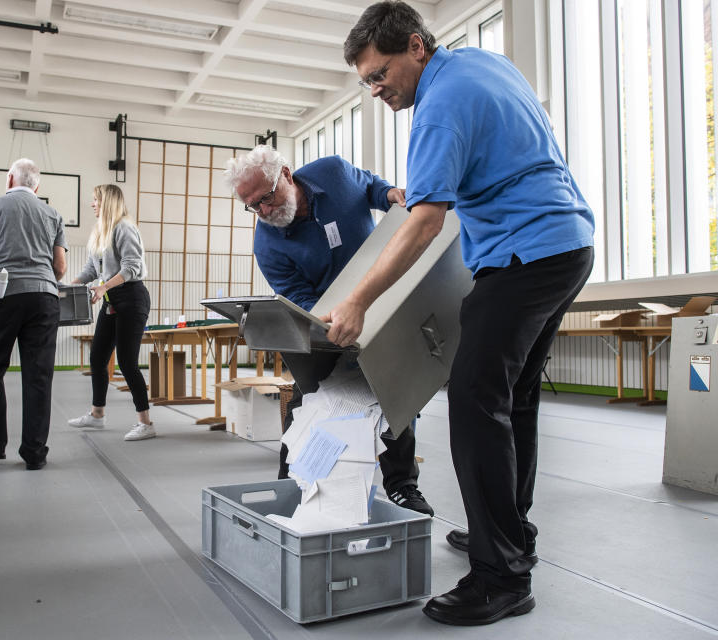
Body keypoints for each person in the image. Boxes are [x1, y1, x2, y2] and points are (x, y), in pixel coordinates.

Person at [332, 1, 595, 625]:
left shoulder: (439, 110)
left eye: (380, 74)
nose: (376, 91)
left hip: (526, 255)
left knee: (476, 398)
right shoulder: (483, 63)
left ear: (417, 47)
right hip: (568, 243)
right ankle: (509, 531)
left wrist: (358, 301)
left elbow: (424, 220)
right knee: (514, 396)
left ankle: (500, 575)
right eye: (366, 82)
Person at [221, 145, 433, 517]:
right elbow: (299, 300)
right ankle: (291, 483)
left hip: (385, 299)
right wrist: (334, 323)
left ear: (286, 174)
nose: (264, 212)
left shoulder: (332, 174)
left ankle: (403, 486)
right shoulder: (267, 245)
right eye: (253, 206)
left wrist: (388, 195)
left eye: (267, 198)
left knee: (394, 395)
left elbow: (368, 185)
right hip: (327, 325)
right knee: (309, 400)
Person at [0, 158, 66, 470]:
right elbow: (60, 268)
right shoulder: (52, 214)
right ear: (37, 186)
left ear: (10, 180)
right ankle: (35, 453)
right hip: (44, 298)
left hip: (3, 294)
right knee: (39, 376)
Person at [67, 184, 153, 442]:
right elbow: (91, 270)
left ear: (108, 202)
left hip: (132, 298)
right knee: (97, 357)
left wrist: (104, 285)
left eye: (96, 200)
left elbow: (132, 267)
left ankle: (146, 423)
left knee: (127, 362)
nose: (92, 204)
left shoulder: (125, 227)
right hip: (111, 300)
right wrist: (69, 287)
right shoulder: (99, 232)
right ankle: (97, 414)